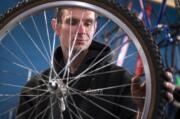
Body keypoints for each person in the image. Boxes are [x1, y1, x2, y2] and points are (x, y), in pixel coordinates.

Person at [16, 7, 175, 119]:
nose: (81, 31)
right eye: (72, 22)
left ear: (95, 27)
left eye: (88, 23)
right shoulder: (34, 88)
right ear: (56, 26)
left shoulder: (123, 81)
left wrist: (143, 108)